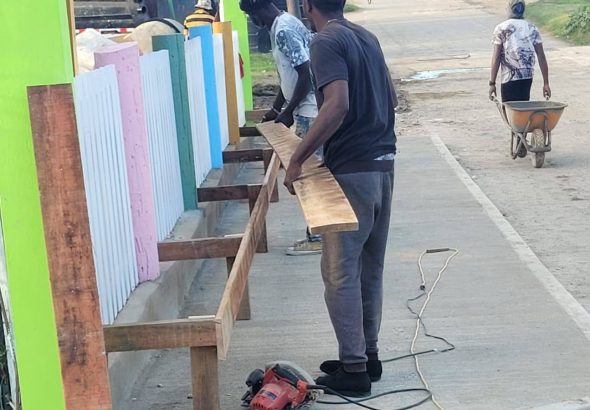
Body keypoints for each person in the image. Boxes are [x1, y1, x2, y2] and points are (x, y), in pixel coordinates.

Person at [284, 0, 397, 397]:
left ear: (307, 5)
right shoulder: (367, 37)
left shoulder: (325, 41)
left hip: (352, 170)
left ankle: (354, 369)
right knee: (369, 268)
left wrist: (297, 158)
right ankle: (368, 356)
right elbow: (390, 98)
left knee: (340, 272)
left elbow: (337, 105)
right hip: (383, 166)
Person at [239, 0, 322, 256]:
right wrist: (276, 110)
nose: (253, 22)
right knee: (310, 172)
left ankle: (319, 236)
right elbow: (289, 77)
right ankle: (318, 233)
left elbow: (306, 73)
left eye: (251, 16)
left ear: (258, 12)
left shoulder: (283, 30)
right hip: (306, 109)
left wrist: (288, 111)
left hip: (309, 112)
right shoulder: (285, 23)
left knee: (308, 175)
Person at [489, 0, 551, 104]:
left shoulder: (501, 28)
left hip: (509, 78)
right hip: (526, 77)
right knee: (523, 108)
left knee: (510, 110)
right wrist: (546, 83)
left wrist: (492, 83)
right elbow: (541, 56)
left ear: (509, 9)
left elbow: (496, 57)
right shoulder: (532, 28)